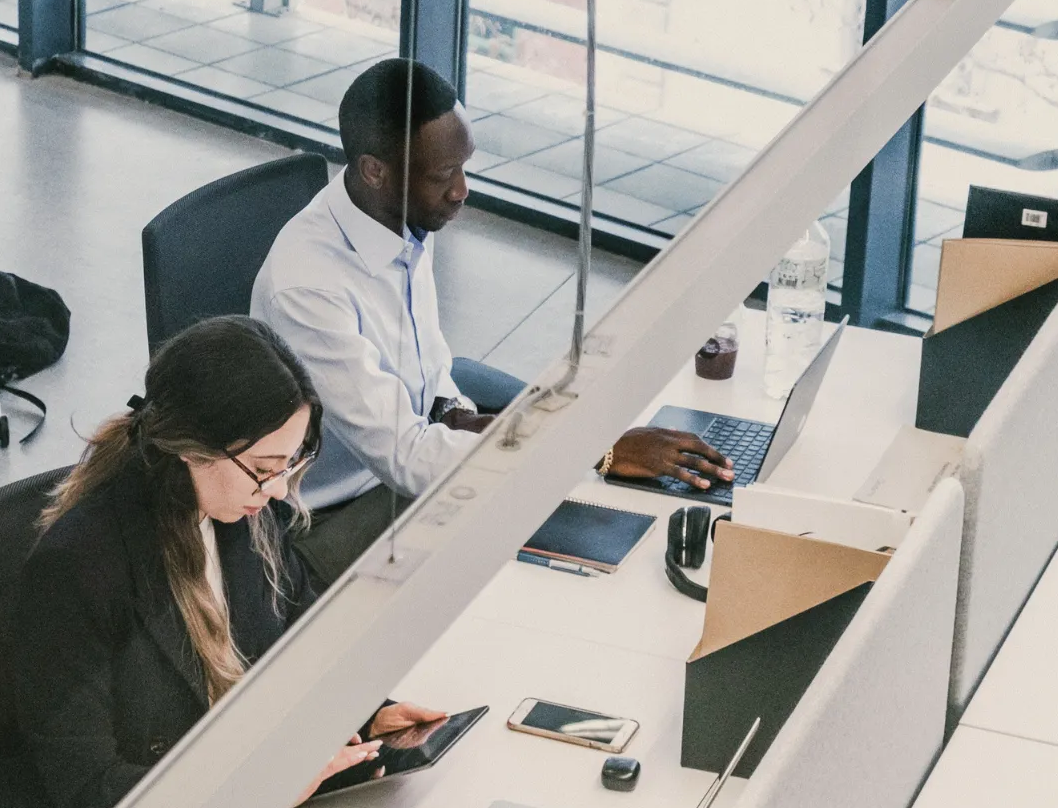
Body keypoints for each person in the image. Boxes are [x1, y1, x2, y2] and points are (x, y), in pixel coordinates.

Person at [0, 316, 450, 808]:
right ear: (192, 449)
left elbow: (305, 635)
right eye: (265, 469)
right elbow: (89, 790)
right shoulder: (80, 566)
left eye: (291, 464)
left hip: (220, 798)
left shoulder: (240, 507)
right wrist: (261, 792)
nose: (278, 488)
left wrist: (368, 715)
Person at [253, 59, 733, 584]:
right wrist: (593, 450)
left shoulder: (397, 217)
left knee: (555, 434)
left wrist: (459, 412)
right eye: (444, 175)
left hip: (409, 442)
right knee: (541, 516)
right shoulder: (310, 290)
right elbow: (408, 460)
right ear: (374, 171)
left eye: (464, 166)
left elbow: (428, 364)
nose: (461, 189)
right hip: (337, 511)